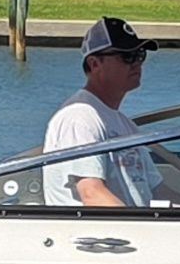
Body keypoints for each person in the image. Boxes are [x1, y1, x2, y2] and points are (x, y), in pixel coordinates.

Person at [42, 17, 163, 207]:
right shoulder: (79, 117)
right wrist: (141, 224)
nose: (136, 64)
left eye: (140, 55)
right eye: (127, 56)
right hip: (102, 227)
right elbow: (91, 194)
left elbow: (158, 191)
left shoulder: (126, 125)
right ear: (95, 64)